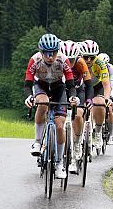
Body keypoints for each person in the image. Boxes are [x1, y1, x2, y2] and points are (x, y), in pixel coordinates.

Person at [24, 33, 78, 180]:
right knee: (42, 103)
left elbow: (70, 83)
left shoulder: (63, 59)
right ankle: (37, 142)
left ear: (57, 51)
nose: (50, 56)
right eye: (46, 53)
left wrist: (73, 97)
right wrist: (29, 97)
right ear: (40, 52)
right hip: (41, 86)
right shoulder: (34, 60)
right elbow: (28, 84)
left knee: (60, 126)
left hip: (58, 88)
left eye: (53, 52)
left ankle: (60, 163)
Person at [63, 41, 92, 174]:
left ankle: (77, 143)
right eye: (67, 59)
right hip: (63, 89)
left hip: (78, 88)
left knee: (79, 114)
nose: (69, 62)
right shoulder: (59, 61)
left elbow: (89, 84)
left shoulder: (81, 63)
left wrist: (89, 99)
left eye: (72, 60)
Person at [80, 40, 112, 147]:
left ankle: (98, 132)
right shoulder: (77, 62)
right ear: (81, 55)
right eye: (86, 57)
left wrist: (106, 99)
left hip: (97, 86)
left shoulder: (100, 63)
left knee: (100, 103)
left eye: (92, 57)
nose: (89, 60)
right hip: (83, 86)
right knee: (80, 108)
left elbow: (106, 84)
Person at [98, 53, 113, 144]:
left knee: (109, 109)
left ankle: (112, 134)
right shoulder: (95, 66)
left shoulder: (110, 68)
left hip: (108, 89)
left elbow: (112, 85)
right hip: (99, 88)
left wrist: (110, 97)